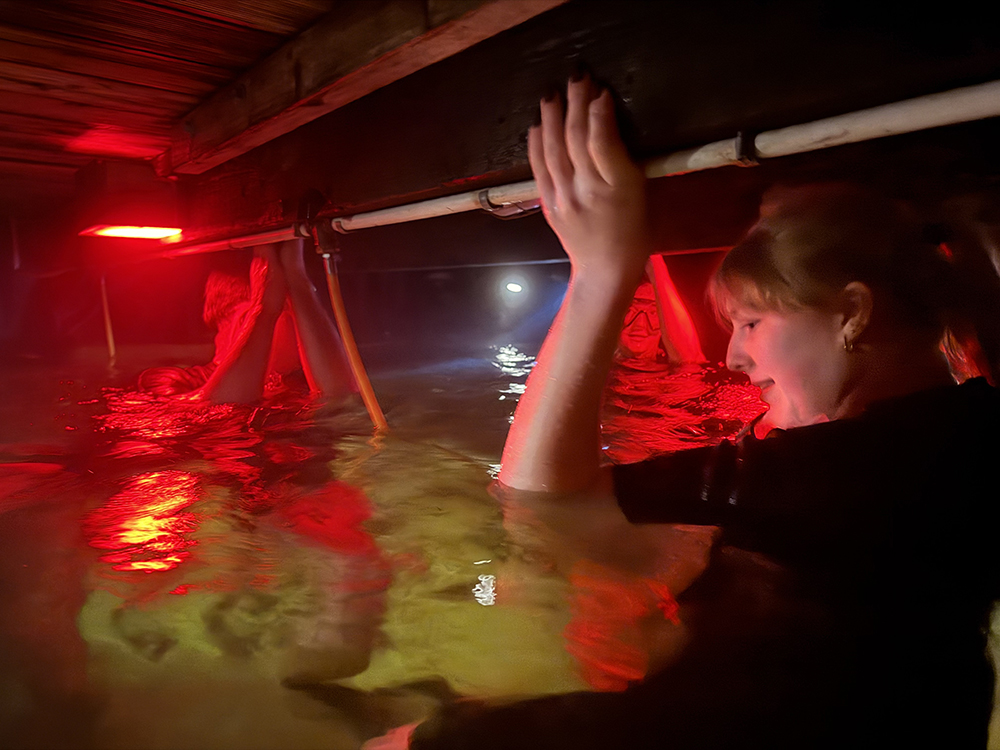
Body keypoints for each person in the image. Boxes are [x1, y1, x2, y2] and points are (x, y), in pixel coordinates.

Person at [366, 76, 1000, 749]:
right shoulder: (965, 431)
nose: (733, 355)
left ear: (852, 312)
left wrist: (601, 271)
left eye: (751, 322)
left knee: (410, 740)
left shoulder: (847, 468)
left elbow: (540, 500)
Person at [138, 238, 357, 405]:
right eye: (286, 316)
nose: (301, 334)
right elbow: (223, 409)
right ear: (246, 322)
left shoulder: (300, 381)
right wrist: (264, 310)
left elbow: (341, 402)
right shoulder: (169, 381)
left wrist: (297, 277)